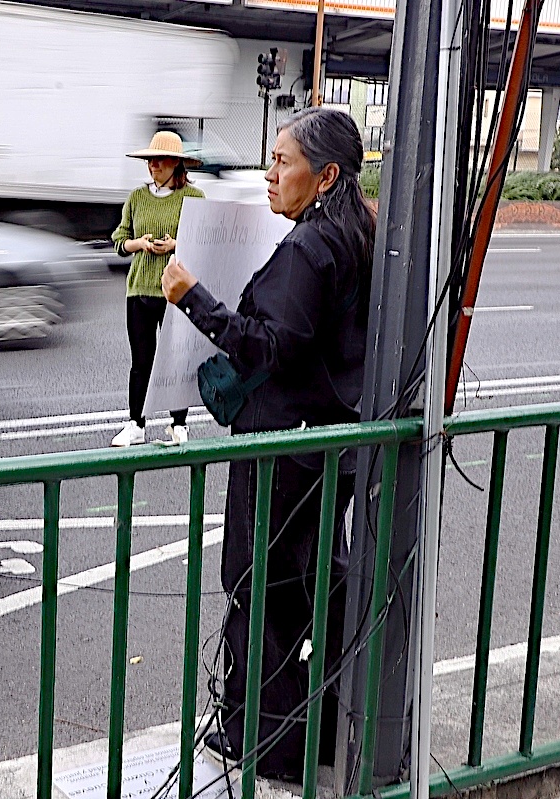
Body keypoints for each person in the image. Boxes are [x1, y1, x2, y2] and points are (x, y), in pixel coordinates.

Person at [161, 107, 376, 781]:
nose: (270, 173)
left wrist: (193, 296)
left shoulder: (311, 247)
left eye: (283, 161)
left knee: (261, 588)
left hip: (283, 449)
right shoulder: (356, 234)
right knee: (313, 587)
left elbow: (271, 345)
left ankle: (266, 741)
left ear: (327, 175)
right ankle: (313, 731)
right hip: (325, 446)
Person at [110, 130, 205, 447]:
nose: (154, 167)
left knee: (177, 359)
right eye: (150, 161)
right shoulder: (137, 197)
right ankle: (136, 423)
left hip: (176, 290)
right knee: (141, 361)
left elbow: (203, 240)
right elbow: (119, 242)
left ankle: (179, 424)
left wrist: (176, 244)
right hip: (139, 289)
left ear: (177, 165)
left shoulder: (193, 197)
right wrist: (139, 244)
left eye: (161, 161)